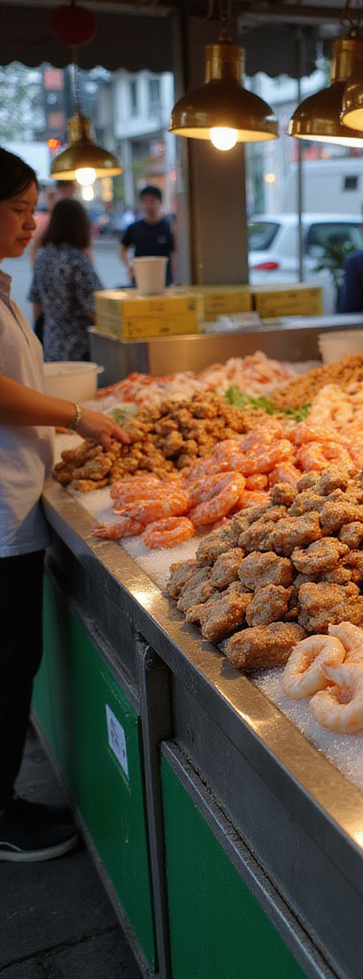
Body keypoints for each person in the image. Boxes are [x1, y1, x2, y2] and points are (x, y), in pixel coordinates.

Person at [0, 147, 129, 862]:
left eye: (33, 209)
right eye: (19, 209)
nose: (32, 223)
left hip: (18, 495)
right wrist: (75, 416)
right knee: (7, 662)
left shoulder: (5, 282)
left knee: (15, 658)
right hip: (2, 507)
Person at [28, 197, 103, 362]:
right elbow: (95, 309)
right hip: (80, 348)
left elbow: (36, 304)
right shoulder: (77, 260)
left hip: (51, 342)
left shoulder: (42, 256)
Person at [119, 184, 175, 286]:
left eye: (152, 201)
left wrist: (175, 275)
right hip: (140, 279)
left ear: (159, 202)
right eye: (145, 201)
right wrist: (130, 266)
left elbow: (174, 253)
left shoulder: (167, 228)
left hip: (164, 279)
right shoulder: (135, 228)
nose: (149, 205)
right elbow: (122, 249)